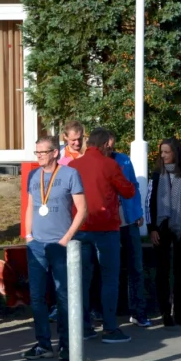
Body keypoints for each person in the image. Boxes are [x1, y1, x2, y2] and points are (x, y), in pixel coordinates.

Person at [21, 137, 87, 361]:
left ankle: (68, 345)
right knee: (37, 296)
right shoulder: (33, 175)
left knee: (63, 296)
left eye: (43, 152)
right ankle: (43, 344)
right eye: (36, 152)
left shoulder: (70, 175)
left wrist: (67, 238)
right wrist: (29, 236)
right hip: (37, 245)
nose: (39, 155)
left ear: (55, 153)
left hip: (60, 244)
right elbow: (31, 206)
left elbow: (82, 209)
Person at [70, 127, 136, 344]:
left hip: (80, 229)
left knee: (82, 280)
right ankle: (109, 328)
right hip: (106, 229)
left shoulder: (74, 165)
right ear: (107, 143)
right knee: (109, 279)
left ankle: (83, 327)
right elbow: (128, 191)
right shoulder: (110, 164)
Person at [147, 138, 181, 327]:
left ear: (176, 153)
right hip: (161, 228)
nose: (162, 156)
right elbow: (149, 202)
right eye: (161, 152)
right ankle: (165, 313)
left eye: (166, 152)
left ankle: (179, 312)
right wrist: (152, 228)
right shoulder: (156, 174)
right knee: (162, 272)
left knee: (180, 271)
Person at [105, 132, 150, 328]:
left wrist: (138, 212)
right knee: (108, 270)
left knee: (136, 267)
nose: (111, 148)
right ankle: (107, 315)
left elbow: (134, 186)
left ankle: (138, 312)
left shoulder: (123, 160)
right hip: (108, 225)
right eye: (107, 145)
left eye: (113, 145)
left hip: (128, 221)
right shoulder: (96, 163)